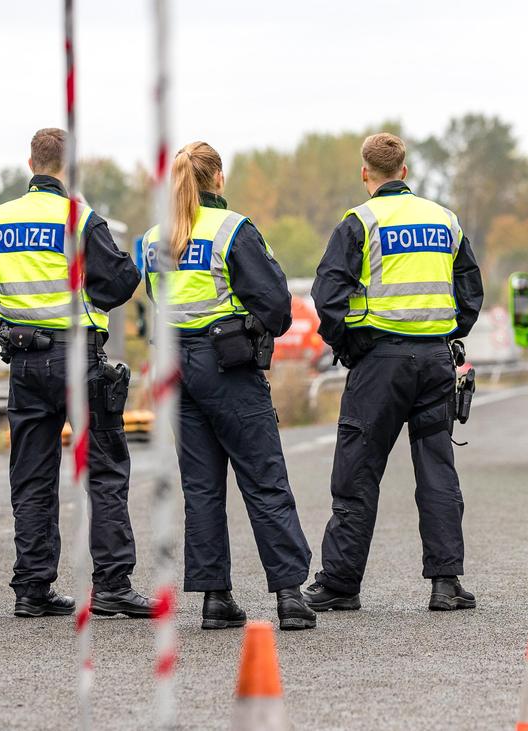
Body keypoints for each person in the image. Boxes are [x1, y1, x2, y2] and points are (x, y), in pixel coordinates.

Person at [0, 128, 155, 619]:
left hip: (24, 363)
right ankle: (112, 586)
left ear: (31, 162)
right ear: (69, 167)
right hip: (78, 362)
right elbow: (121, 283)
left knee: (31, 476)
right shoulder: (81, 219)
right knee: (105, 471)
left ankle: (32, 588)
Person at [304, 132, 484, 613]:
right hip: (435, 362)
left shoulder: (359, 221)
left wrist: (349, 344)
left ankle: (341, 584)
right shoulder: (444, 220)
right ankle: (446, 584)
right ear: (405, 171)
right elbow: (470, 291)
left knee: (357, 473)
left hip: (379, 364)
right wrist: (447, 332)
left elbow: (326, 298)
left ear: (366, 174)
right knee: (437, 472)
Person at [141, 141, 315, 631]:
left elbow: (158, 298)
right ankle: (288, 596)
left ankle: (215, 598)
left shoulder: (154, 238)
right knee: (263, 478)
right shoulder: (233, 229)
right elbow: (277, 306)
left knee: (201, 487)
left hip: (175, 368)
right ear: (218, 177)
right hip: (227, 368)